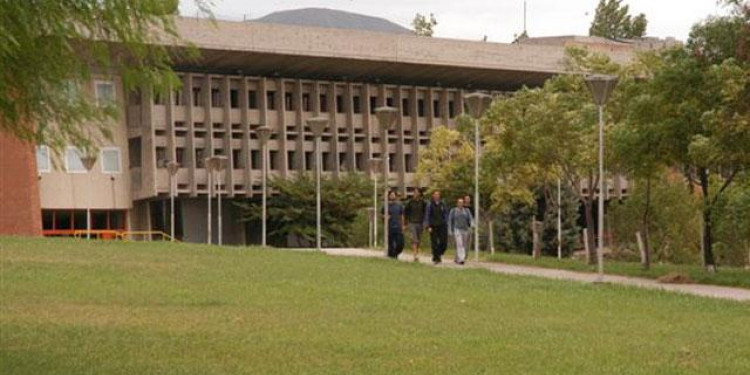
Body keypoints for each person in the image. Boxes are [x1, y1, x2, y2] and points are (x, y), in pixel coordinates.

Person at [424, 190, 449, 264]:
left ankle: (438, 254)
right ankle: (436, 257)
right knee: (434, 242)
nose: (437, 196)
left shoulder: (442, 204)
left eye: (438, 194)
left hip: (442, 225)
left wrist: (446, 222)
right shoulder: (430, 204)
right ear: (433, 196)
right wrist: (428, 226)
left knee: (443, 242)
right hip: (433, 226)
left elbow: (445, 214)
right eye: (435, 194)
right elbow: (427, 215)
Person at [448, 197, 475, 265]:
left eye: (462, 203)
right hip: (457, 229)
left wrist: (472, 224)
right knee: (459, 244)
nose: (460, 204)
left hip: (465, 230)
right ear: (457, 203)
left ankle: (458, 258)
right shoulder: (453, 210)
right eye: (459, 202)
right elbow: (450, 220)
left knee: (464, 244)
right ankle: (461, 259)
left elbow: (470, 218)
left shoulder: (466, 211)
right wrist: (450, 230)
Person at [404, 188, 427, 262]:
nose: (415, 194)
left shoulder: (423, 203)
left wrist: (425, 223)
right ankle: (415, 255)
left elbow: (425, 213)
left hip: (420, 222)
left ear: (420, 194)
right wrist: (405, 223)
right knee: (414, 239)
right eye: (414, 192)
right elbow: (405, 213)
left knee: (418, 240)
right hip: (412, 222)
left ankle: (417, 252)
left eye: (417, 192)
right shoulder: (410, 202)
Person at [383, 190, 405, 259]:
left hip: (398, 226)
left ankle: (396, 252)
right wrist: (385, 217)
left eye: (393, 195)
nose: (392, 196)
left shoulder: (399, 205)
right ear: (389, 196)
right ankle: (392, 256)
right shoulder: (386, 206)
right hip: (389, 227)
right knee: (391, 243)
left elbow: (402, 216)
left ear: (395, 196)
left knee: (400, 243)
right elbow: (382, 215)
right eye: (391, 195)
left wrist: (403, 225)